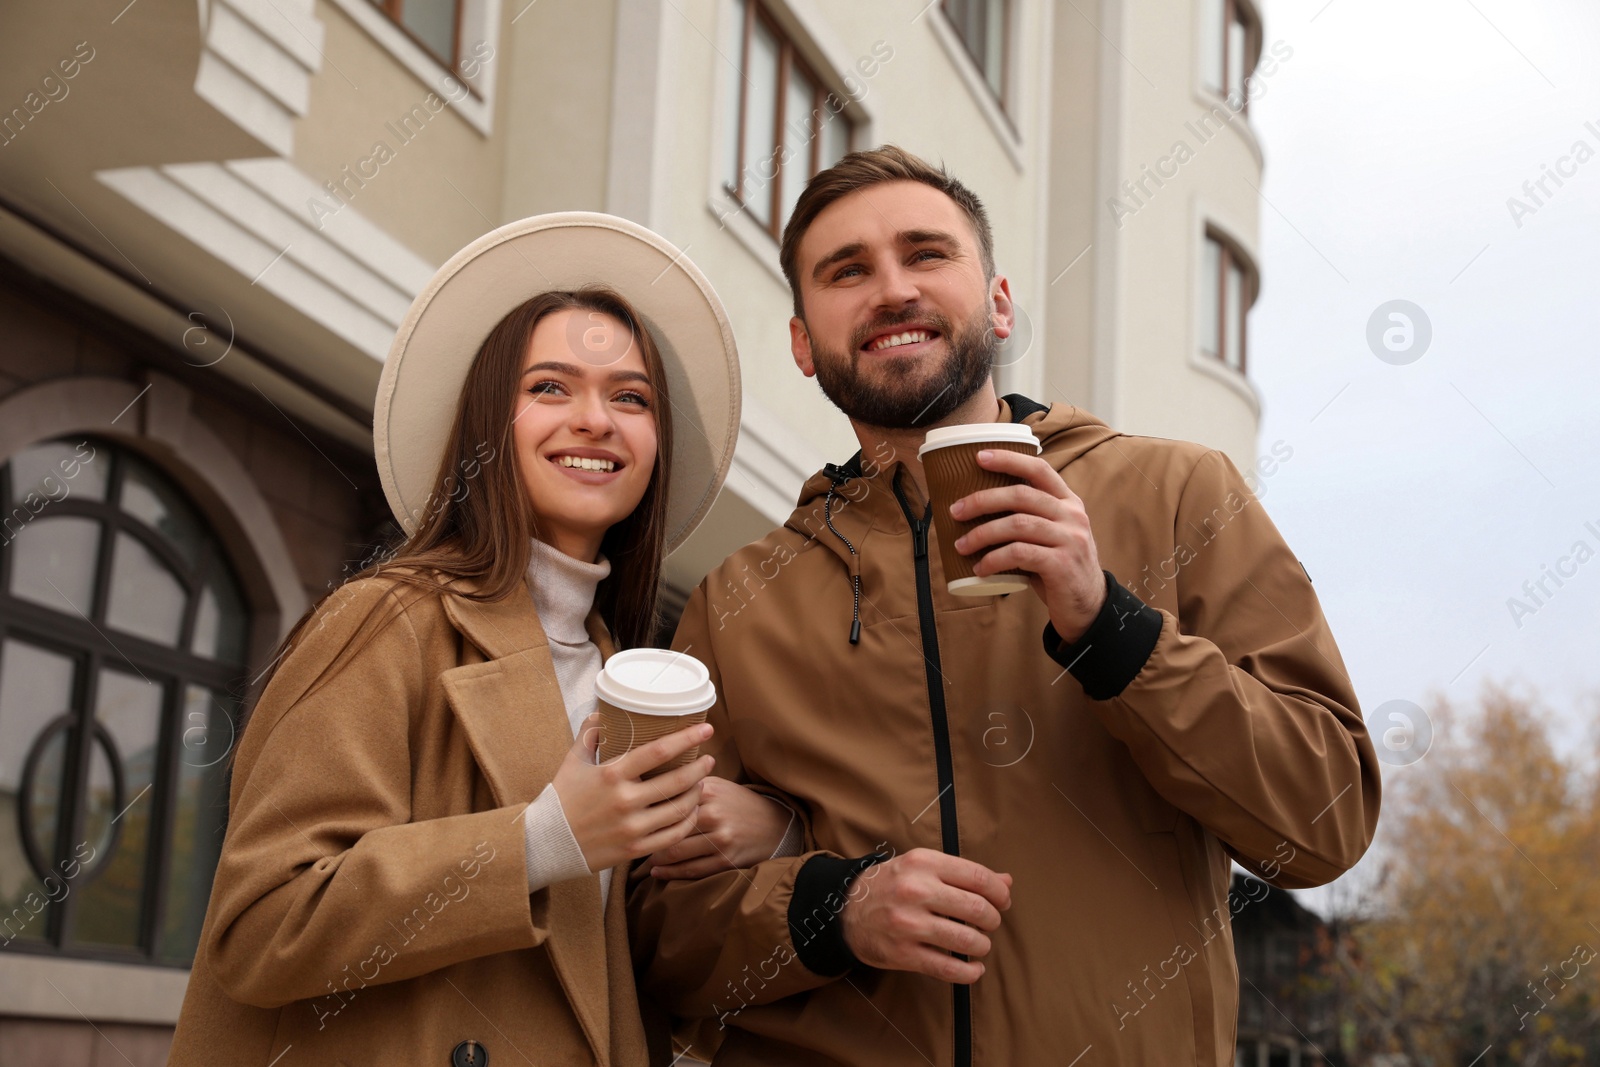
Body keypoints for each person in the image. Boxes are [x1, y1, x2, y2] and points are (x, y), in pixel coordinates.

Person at [629, 147, 1382, 1065]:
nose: (893, 289)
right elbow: (659, 942)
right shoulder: (736, 596)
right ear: (800, 342)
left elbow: (1325, 822)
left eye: (926, 254)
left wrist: (1109, 623)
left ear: (998, 304)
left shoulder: (1183, 493)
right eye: (848, 271)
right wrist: (834, 909)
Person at [168, 214, 797, 1066]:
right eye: (549, 387)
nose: (595, 420)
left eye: (630, 396)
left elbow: (640, 973)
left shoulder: (628, 674)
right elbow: (263, 919)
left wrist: (774, 834)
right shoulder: (389, 617)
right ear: (487, 426)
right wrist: (544, 837)